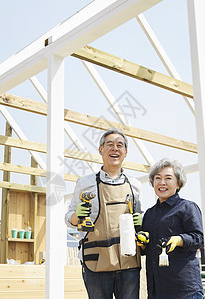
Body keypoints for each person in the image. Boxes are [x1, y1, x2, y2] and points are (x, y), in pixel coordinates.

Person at [65, 128, 143, 299]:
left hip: (128, 262)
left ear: (125, 152)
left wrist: (141, 222)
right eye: (110, 144)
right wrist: (77, 216)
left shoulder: (135, 185)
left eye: (120, 145)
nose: (115, 148)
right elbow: (68, 219)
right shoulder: (84, 183)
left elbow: (139, 219)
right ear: (100, 150)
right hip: (96, 262)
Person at [138, 158, 204, 299]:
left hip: (184, 289)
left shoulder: (187, 207)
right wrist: (142, 245)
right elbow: (146, 249)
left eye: (168, 178)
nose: (162, 182)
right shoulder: (149, 213)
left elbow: (199, 238)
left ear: (178, 183)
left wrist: (179, 239)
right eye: (157, 178)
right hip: (156, 290)